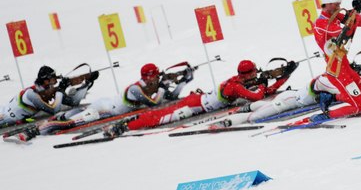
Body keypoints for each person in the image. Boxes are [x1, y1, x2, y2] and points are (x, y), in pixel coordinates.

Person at [103, 59, 295, 137]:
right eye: (255, 73)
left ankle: (128, 123)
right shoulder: (235, 86)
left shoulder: (240, 81)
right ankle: (123, 126)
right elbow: (257, 96)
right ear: (248, 74)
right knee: (159, 118)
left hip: (199, 100)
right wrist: (263, 83)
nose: (257, 75)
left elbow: (265, 92)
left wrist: (285, 75)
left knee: (160, 114)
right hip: (194, 106)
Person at [209, 53, 361, 129]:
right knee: (254, 119)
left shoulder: (337, 78)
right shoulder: (325, 80)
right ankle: (230, 120)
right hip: (288, 101)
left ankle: (249, 107)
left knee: (263, 106)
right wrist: (333, 97)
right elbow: (347, 93)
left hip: (290, 96)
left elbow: (357, 87)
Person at [33, 62, 193, 137]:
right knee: (70, 123)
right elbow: (155, 102)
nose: (159, 78)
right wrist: (164, 85)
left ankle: (52, 121)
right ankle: (36, 130)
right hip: (103, 109)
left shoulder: (150, 85)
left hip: (106, 107)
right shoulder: (135, 89)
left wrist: (185, 81)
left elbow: (171, 97)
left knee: (72, 115)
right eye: (157, 76)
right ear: (151, 77)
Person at [310, 0, 361, 120]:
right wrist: (353, 14)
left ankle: (331, 97)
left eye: (339, 3)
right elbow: (345, 32)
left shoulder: (336, 15)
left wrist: (355, 11)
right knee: (359, 107)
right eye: (336, 4)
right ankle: (326, 115)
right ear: (327, 3)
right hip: (337, 72)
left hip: (345, 67)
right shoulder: (321, 23)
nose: (339, 6)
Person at [0, 66, 95, 129]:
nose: (55, 81)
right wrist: (61, 89)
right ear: (46, 81)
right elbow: (54, 110)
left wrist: (87, 83)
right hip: (4, 118)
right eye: (53, 78)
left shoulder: (45, 91)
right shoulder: (31, 95)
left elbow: (73, 102)